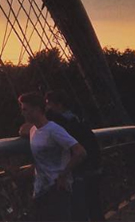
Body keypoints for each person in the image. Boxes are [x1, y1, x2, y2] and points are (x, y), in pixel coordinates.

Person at [19, 91, 87, 222]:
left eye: (25, 109)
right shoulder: (34, 130)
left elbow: (80, 152)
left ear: (37, 109)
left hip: (57, 189)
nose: (22, 113)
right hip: (41, 191)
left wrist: (63, 174)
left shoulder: (54, 130)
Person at [46, 90, 103, 221]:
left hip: (80, 170)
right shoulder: (76, 118)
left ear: (59, 105)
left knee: (79, 211)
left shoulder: (59, 121)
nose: (47, 107)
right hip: (92, 166)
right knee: (94, 207)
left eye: (49, 103)